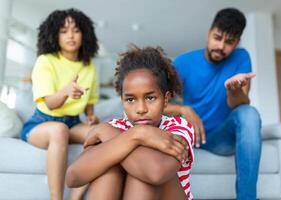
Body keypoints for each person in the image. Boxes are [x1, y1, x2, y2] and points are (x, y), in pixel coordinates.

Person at [66, 46, 195, 200]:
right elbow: (73, 177)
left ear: (166, 99)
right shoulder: (116, 126)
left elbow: (156, 173)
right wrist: (136, 136)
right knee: (108, 167)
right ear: (122, 101)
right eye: (130, 100)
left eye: (150, 98)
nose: (141, 109)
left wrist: (134, 134)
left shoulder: (178, 126)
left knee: (142, 174)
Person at [165, 8, 262, 200]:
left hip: (220, 138)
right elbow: (159, 104)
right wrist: (183, 109)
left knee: (249, 113)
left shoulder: (242, 57)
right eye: (217, 38)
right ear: (209, 33)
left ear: (237, 43)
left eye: (229, 42)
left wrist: (233, 90)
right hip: (190, 136)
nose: (221, 46)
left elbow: (241, 105)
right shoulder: (184, 62)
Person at [20, 8, 99, 200]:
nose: (70, 36)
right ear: (54, 35)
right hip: (41, 123)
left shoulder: (89, 66)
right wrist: (65, 91)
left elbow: (90, 101)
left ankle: (75, 197)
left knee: (101, 135)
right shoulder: (45, 61)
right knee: (58, 130)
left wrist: (90, 116)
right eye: (63, 31)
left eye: (76, 30)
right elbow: (50, 103)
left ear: (85, 34)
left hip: (72, 121)